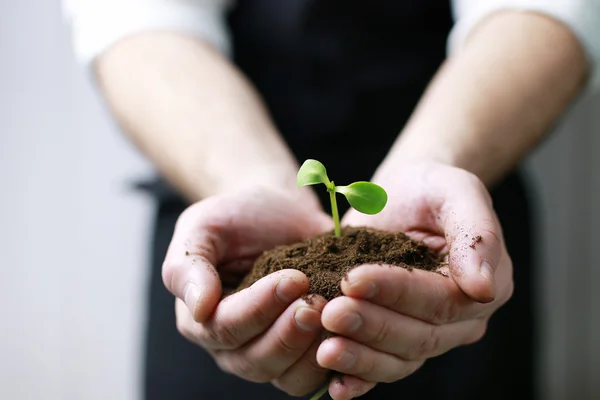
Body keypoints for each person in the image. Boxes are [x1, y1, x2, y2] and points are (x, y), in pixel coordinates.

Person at [64, 1, 599, 399]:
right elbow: (135, 16)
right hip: (229, 208)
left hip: (449, 214)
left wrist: (438, 157)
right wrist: (245, 177)